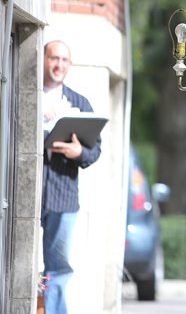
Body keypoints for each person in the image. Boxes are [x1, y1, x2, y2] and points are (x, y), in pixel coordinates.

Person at [41, 40, 102, 313]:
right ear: (43, 59)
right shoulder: (25, 93)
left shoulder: (80, 103)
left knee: (58, 267)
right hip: (22, 193)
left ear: (70, 64)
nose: (58, 65)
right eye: (54, 58)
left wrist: (78, 152)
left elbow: (94, 152)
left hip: (63, 196)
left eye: (64, 60)